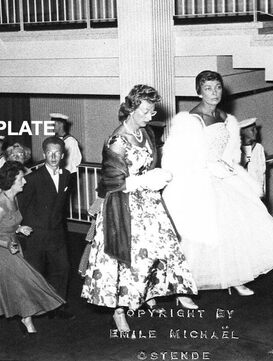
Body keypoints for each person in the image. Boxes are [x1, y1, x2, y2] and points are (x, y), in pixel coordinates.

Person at [80, 84, 197, 333]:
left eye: (152, 112)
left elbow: (148, 165)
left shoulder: (147, 133)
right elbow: (112, 182)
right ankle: (119, 311)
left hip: (148, 204)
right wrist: (144, 180)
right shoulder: (117, 141)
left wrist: (157, 176)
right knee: (126, 261)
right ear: (130, 109)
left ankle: (146, 295)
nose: (149, 116)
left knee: (153, 254)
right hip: (123, 206)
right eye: (145, 111)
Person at [162, 71, 273, 299]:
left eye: (217, 87)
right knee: (197, 236)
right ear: (199, 92)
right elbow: (179, 158)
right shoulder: (191, 120)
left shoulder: (226, 117)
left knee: (234, 229)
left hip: (223, 177)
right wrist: (204, 170)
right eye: (208, 88)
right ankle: (182, 288)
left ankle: (235, 277)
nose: (214, 93)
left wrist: (227, 167)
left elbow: (230, 153)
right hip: (198, 179)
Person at [0, 161, 65, 346]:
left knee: (20, 284)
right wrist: (7, 244)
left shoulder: (14, 197)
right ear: (11, 181)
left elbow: (9, 223)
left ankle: (25, 319)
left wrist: (19, 229)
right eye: (21, 179)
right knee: (4, 287)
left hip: (12, 248)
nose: (24, 181)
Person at [17, 136, 73, 319]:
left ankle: (57, 306)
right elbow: (22, 205)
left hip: (57, 233)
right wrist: (22, 228)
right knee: (36, 272)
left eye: (57, 153)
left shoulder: (66, 176)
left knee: (62, 268)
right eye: (50, 153)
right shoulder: (32, 178)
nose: (53, 157)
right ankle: (30, 311)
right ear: (44, 154)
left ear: (62, 155)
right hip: (36, 234)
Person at [239, 117, 266, 199]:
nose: (256, 132)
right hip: (241, 191)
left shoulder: (258, 148)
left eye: (256, 129)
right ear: (243, 132)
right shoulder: (237, 148)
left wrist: (261, 191)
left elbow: (262, 170)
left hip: (255, 190)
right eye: (252, 130)